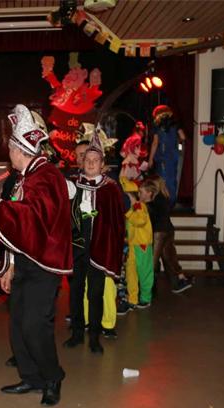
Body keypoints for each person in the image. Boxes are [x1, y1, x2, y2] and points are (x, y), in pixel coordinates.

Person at [0, 104, 71, 406]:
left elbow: (31, 218)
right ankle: (31, 377)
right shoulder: (27, 177)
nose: (9, 153)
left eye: (10, 148)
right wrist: (9, 265)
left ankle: (52, 377)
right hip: (27, 262)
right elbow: (21, 229)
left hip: (45, 264)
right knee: (18, 323)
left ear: (19, 150)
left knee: (35, 324)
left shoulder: (46, 177)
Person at [63, 129, 125, 354]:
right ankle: (77, 334)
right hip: (76, 248)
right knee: (76, 293)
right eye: (87, 159)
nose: (90, 163)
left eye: (95, 160)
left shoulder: (110, 189)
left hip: (99, 249)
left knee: (96, 294)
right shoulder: (73, 184)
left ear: (102, 164)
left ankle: (95, 338)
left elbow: (117, 222)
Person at [139, 178, 193, 293]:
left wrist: (144, 204)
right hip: (168, 230)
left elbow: (153, 216)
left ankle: (147, 288)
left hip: (159, 232)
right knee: (169, 257)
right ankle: (179, 281)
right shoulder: (163, 197)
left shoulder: (156, 200)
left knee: (152, 259)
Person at [117, 177, 154, 315]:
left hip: (142, 246)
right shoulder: (133, 208)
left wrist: (129, 212)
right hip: (132, 246)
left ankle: (145, 298)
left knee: (144, 273)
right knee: (131, 275)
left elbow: (140, 221)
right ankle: (132, 299)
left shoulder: (139, 206)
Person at [149, 105, 186, 207]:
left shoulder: (157, 125)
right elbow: (183, 137)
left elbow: (155, 143)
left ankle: (164, 202)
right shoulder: (175, 124)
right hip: (173, 156)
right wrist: (176, 142)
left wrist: (150, 159)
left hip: (162, 156)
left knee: (162, 180)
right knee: (172, 179)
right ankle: (171, 201)